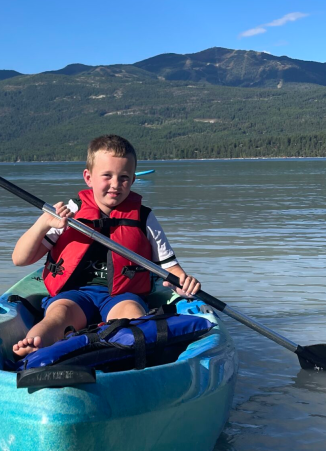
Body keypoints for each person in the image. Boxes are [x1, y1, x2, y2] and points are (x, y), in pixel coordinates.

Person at [12, 134, 201, 356]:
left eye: (123, 177)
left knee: (132, 314)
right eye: (107, 176)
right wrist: (43, 223)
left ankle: (119, 353)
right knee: (58, 315)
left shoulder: (144, 218)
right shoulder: (69, 213)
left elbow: (170, 267)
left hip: (122, 295)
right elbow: (20, 259)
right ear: (88, 177)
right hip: (75, 293)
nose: (115, 185)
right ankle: (35, 344)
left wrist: (183, 282)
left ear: (132, 180)